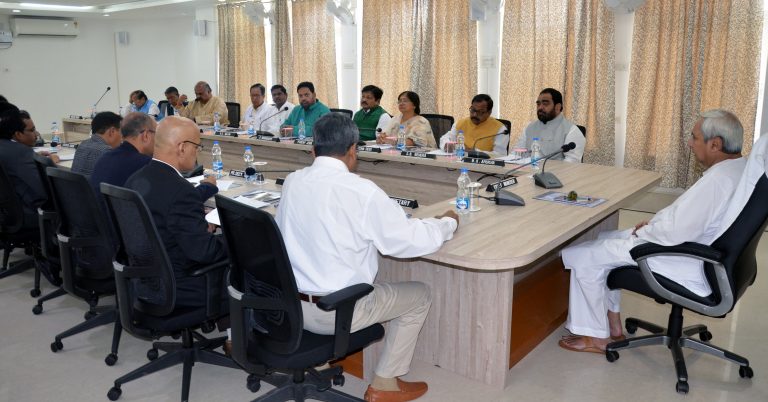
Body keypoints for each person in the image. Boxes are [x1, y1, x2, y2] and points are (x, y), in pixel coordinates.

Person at [276, 113, 458, 402]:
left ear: (314, 148)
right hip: (335, 312)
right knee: (419, 294)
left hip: (289, 307)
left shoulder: (293, 181)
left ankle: (319, 358)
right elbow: (408, 241)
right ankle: (385, 382)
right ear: (352, 150)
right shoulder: (361, 191)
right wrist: (447, 223)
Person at [558, 109, 747, 354]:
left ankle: (596, 338)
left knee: (584, 255)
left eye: (694, 137)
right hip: (701, 251)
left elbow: (677, 231)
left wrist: (646, 233)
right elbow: (688, 220)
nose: (689, 143)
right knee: (605, 239)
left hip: (686, 259)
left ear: (716, 144)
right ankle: (613, 325)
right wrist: (653, 226)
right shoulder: (738, 169)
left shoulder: (718, 181)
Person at [124, 116, 227, 308]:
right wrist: (235, 241)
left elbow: (164, 224)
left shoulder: (135, 179)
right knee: (250, 259)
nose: (197, 153)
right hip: (180, 286)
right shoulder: (181, 191)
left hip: (146, 282)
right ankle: (240, 334)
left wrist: (197, 227)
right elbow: (204, 253)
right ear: (182, 148)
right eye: (197, 147)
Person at [89, 112, 217, 200]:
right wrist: (208, 186)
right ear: (145, 135)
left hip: (111, 230)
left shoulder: (106, 157)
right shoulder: (145, 164)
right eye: (157, 133)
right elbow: (182, 198)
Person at [512, 88, 585, 162]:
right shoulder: (529, 127)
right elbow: (516, 153)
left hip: (555, 173)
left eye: (545, 104)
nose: (540, 107)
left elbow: (571, 164)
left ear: (558, 107)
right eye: (538, 104)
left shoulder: (572, 130)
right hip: (527, 171)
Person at [438, 94, 507, 155]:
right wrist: (446, 144)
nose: (475, 114)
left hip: (485, 167)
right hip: (459, 163)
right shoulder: (461, 123)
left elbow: (500, 154)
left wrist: (475, 152)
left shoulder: (500, 130)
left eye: (480, 112)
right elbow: (445, 138)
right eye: (473, 110)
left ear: (489, 112)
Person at [71, 111, 122, 178]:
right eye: (121, 132)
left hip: (77, 188)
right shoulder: (107, 152)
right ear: (112, 131)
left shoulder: (82, 145)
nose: (122, 138)